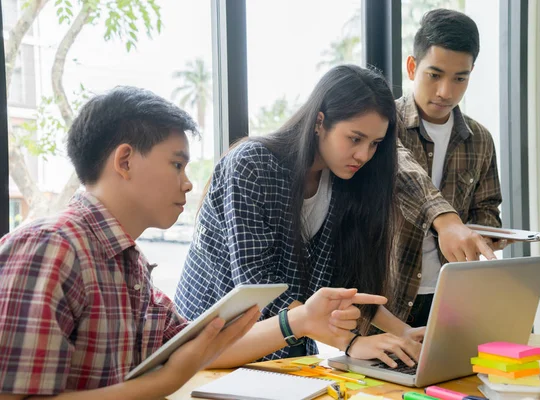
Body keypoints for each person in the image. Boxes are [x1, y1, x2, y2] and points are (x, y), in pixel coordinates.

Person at [0, 86, 383, 400]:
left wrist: (299, 320)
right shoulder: (50, 247)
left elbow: (204, 345)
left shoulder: (128, 265)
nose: (187, 183)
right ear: (125, 161)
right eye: (177, 164)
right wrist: (165, 382)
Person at [176, 64, 430, 370]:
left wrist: (407, 334)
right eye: (355, 138)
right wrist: (350, 343)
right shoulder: (251, 165)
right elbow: (258, 286)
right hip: (209, 354)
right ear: (320, 122)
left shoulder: (345, 182)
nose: (363, 155)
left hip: (286, 359)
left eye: (374, 144)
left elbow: (347, 283)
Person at [393, 9, 507, 327]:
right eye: (435, 75)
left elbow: (486, 207)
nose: (446, 91)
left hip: (452, 295)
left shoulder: (480, 139)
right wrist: (448, 224)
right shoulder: (384, 124)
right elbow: (405, 177)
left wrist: (485, 234)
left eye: (460, 78)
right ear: (412, 66)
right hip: (387, 299)